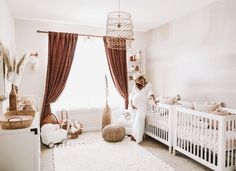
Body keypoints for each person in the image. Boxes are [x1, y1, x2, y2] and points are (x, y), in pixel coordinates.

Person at [129, 74, 157, 143]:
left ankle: (137, 137)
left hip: (143, 105)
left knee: (139, 120)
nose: (138, 82)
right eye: (136, 81)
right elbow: (132, 95)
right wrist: (131, 103)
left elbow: (150, 92)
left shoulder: (148, 85)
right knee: (135, 119)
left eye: (138, 80)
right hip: (135, 105)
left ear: (142, 78)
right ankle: (134, 135)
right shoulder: (135, 86)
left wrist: (154, 99)